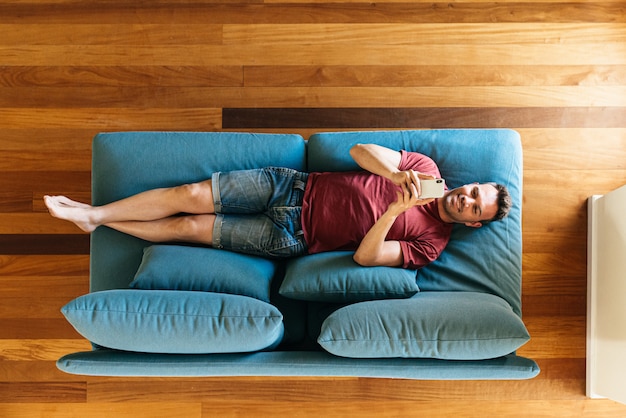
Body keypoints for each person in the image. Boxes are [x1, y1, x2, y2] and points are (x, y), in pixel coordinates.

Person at [44, 143, 511, 270]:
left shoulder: (431, 243)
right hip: (288, 186)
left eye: (475, 208)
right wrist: (396, 178)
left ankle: (94, 221)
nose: (466, 199)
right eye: (473, 192)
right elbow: (359, 153)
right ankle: (93, 216)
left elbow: (366, 258)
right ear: (468, 185)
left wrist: (391, 213)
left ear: (473, 223)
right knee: (188, 194)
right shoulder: (424, 168)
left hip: (292, 237)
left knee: (188, 227)